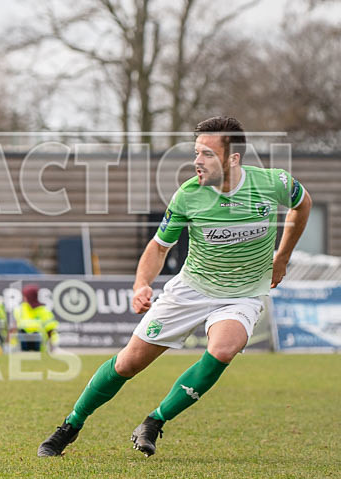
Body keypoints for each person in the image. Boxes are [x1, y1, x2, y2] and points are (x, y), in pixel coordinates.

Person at [37, 116, 312, 459]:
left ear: (233, 158)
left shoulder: (274, 183)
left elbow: (303, 204)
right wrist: (141, 284)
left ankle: (154, 422)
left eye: (208, 154)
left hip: (242, 293)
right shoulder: (188, 195)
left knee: (224, 349)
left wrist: (282, 255)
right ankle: (70, 425)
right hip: (191, 289)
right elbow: (158, 247)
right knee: (128, 364)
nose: (198, 160)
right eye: (196, 152)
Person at [13, 285, 59, 351]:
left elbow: (51, 331)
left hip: (40, 348)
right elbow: (14, 328)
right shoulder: (20, 309)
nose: (24, 298)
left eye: (25, 296)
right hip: (22, 347)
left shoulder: (44, 311)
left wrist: (52, 348)